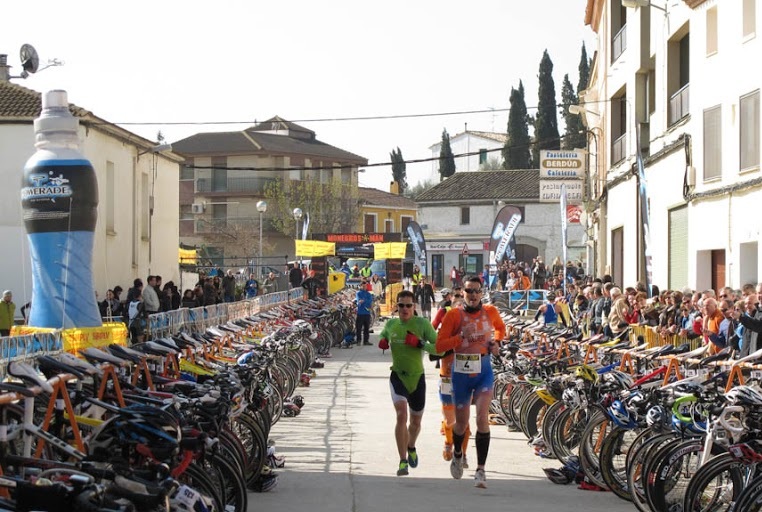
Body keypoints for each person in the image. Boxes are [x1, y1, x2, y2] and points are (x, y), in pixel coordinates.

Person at [435, 276, 506, 489]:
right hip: (460, 374)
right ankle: (458, 453)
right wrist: (460, 337)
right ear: (463, 292)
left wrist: (496, 343)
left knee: (482, 419)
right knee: (461, 423)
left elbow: (501, 328)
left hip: (483, 371)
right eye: (469, 291)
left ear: (481, 293)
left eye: (476, 291)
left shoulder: (490, 311)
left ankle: (481, 469)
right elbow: (439, 345)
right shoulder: (454, 315)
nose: (473, 295)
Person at [378, 290, 440, 476]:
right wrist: (383, 340)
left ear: (414, 307)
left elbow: (439, 348)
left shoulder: (422, 324)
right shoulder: (391, 324)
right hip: (398, 376)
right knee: (401, 415)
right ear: (396, 306)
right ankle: (403, 460)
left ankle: (411, 446)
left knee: (415, 422)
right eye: (401, 305)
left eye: (408, 305)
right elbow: (384, 333)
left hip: (417, 378)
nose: (404, 309)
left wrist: (420, 344)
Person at [431, 288, 471, 465]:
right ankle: (448, 442)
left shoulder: (472, 331)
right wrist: (457, 339)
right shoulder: (445, 332)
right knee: (449, 419)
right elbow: (436, 347)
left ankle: (462, 453)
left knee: (464, 420)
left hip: (466, 379)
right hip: (447, 377)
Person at [354, 280, 373, 346]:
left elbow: (370, 302)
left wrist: (364, 301)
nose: (364, 287)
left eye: (365, 286)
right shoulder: (358, 293)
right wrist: (365, 301)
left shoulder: (368, 294)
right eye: (363, 286)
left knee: (366, 328)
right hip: (360, 313)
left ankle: (366, 341)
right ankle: (358, 340)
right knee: (358, 328)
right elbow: (359, 301)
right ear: (360, 286)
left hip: (367, 313)